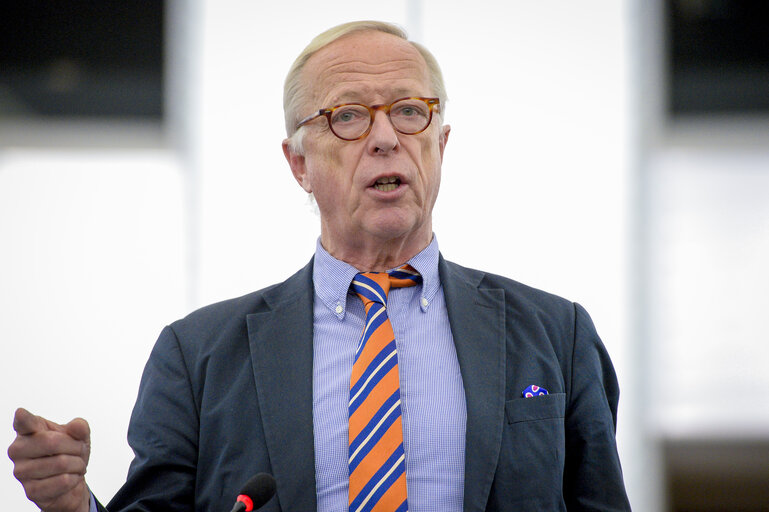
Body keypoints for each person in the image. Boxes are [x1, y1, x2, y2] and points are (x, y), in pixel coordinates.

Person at [8, 20, 631, 512]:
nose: (386, 137)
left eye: (410, 111)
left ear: (441, 145)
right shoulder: (197, 356)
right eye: (349, 116)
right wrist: (72, 507)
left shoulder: (558, 334)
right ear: (298, 163)